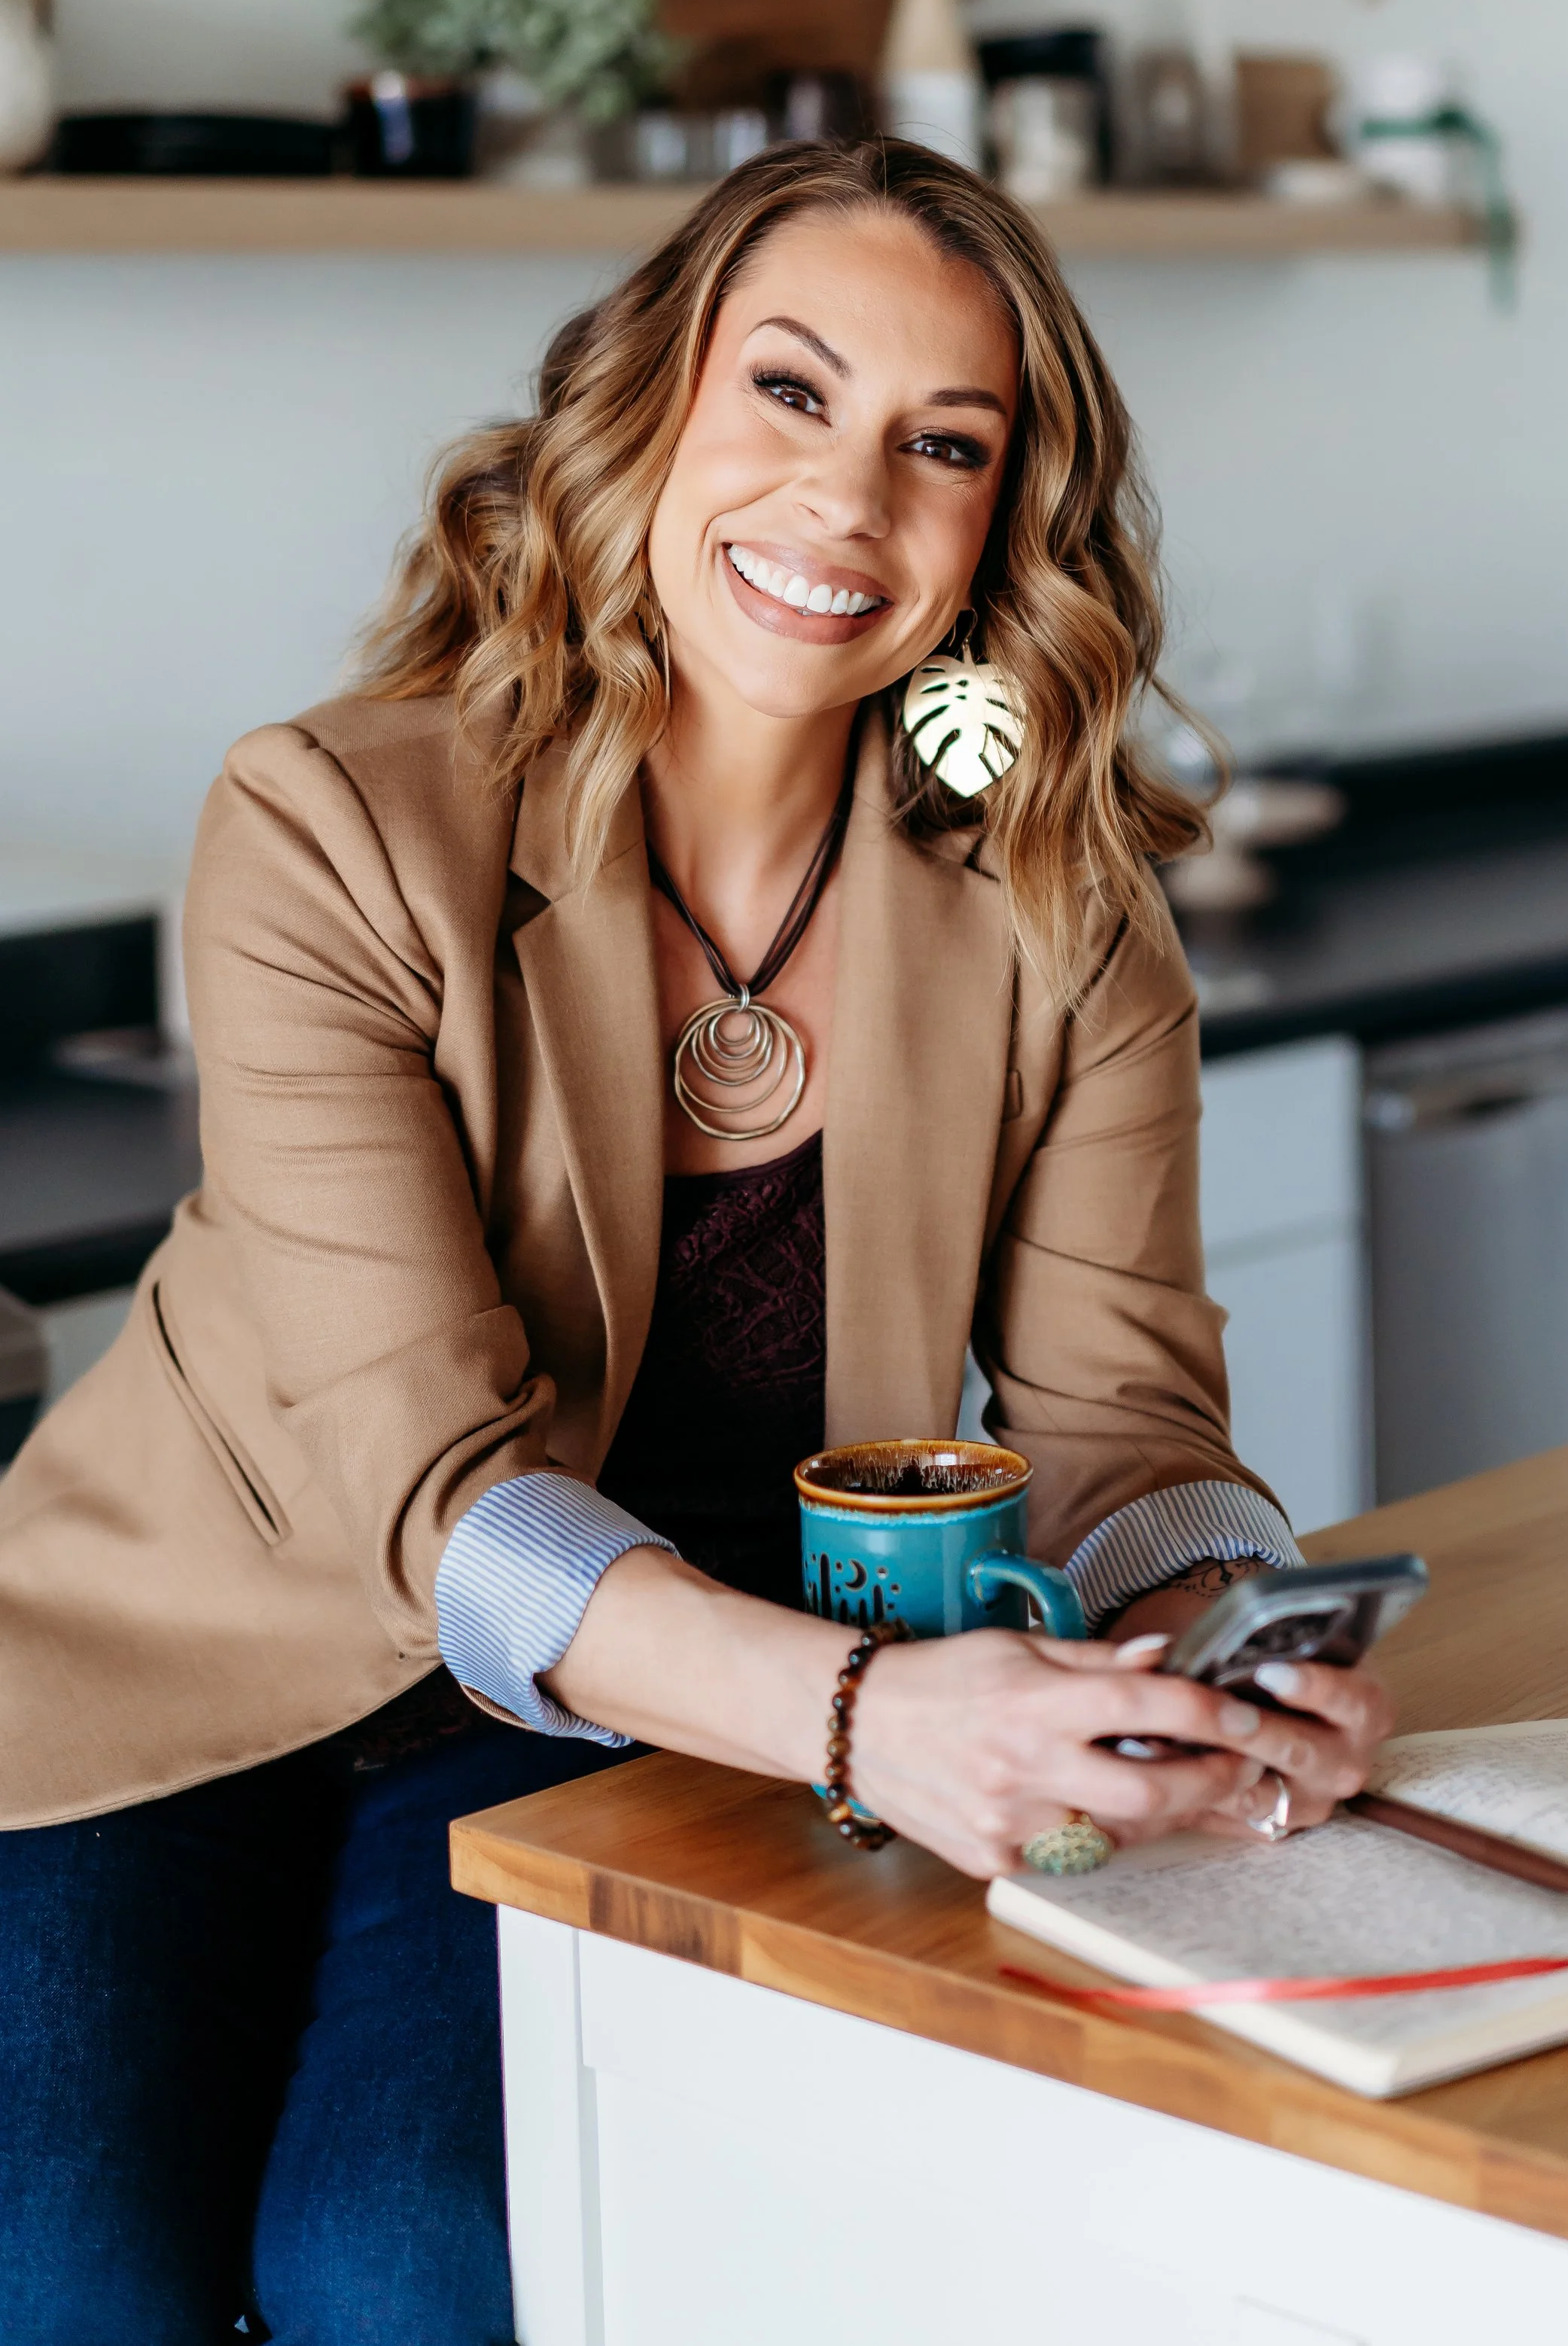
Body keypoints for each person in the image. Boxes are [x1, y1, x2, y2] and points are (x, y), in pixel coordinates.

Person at [0, 138, 1390, 2344]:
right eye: (790, 391)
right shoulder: (331, 821)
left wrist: (1215, 1640)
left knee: (412, 2257)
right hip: (172, 1671)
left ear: (999, 531)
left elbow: (1123, 1421)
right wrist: (870, 1721)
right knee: (61, 2276)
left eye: (947, 444)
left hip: (635, 1702)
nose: (848, 498)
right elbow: (431, 1500)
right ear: (643, 407)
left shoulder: (1062, 911)